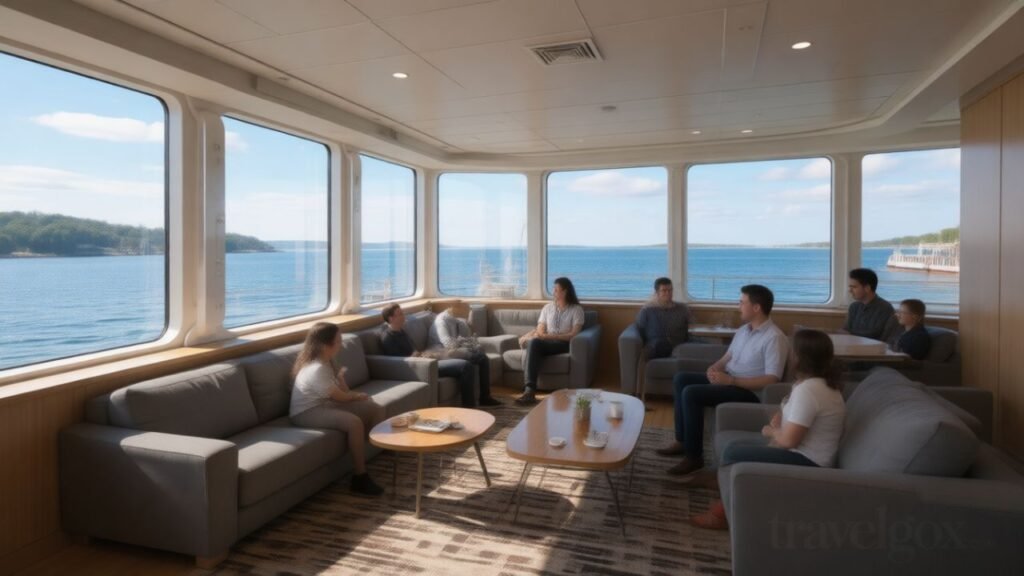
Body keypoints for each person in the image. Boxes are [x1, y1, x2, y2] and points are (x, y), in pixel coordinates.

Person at [690, 329, 846, 530]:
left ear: (800, 357)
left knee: (733, 452)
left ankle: (724, 514)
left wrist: (771, 432)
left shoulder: (810, 390)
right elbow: (803, 420)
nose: (790, 355)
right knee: (735, 446)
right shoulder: (818, 384)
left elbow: (789, 441)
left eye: (792, 351)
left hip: (809, 461)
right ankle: (723, 485)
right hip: (805, 453)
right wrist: (783, 419)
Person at [656, 284, 789, 476]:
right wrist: (715, 367)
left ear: (756, 307)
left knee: (692, 393)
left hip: (748, 391)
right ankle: (682, 441)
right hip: (729, 380)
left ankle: (694, 457)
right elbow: (728, 357)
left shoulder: (774, 338)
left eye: (742, 302)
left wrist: (731, 381)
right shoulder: (744, 330)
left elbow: (772, 379)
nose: (738, 306)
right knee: (681, 378)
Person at [290, 322, 384, 496]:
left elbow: (342, 392)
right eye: (339, 341)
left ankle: (372, 452)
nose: (341, 344)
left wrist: (345, 383)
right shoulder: (316, 368)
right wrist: (356, 396)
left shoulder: (327, 362)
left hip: (324, 403)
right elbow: (340, 397)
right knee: (354, 423)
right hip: (306, 412)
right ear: (326, 345)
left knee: (374, 408)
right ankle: (360, 477)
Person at [379, 304, 500, 407]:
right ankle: (469, 407)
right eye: (399, 314)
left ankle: (481, 398)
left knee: (475, 359)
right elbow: (397, 363)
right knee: (465, 366)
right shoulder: (388, 337)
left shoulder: (401, 331)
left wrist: (425, 355)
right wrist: (417, 358)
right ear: (391, 318)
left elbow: (414, 351)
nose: (403, 316)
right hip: (418, 368)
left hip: (424, 361)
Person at [514, 277, 585, 406]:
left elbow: (573, 335)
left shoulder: (576, 310)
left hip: (563, 344)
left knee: (535, 342)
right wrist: (538, 335)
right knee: (534, 342)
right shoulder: (547, 308)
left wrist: (550, 336)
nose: (553, 292)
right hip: (546, 342)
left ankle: (529, 390)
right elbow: (541, 328)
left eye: (556, 290)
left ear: (565, 292)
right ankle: (529, 391)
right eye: (553, 289)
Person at [636, 277, 693, 359]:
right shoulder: (647, 310)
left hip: (679, 344)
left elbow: (693, 326)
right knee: (657, 345)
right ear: (657, 292)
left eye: (670, 290)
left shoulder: (682, 308)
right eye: (664, 290)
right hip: (656, 346)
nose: (668, 293)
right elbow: (640, 328)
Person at [843, 268, 897, 340]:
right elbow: (846, 330)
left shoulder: (885, 308)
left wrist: (850, 334)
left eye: (854, 287)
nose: (850, 290)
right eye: (850, 287)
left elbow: (878, 335)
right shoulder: (854, 307)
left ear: (867, 288)